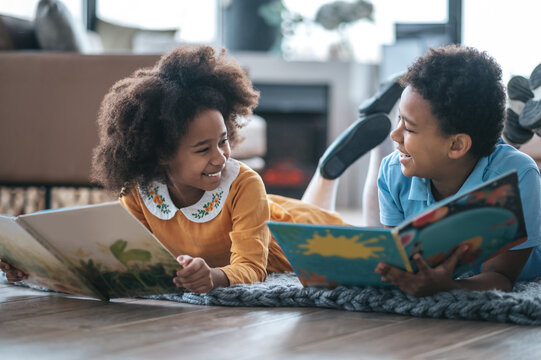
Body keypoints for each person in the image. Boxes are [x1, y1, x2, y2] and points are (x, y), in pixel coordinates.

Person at [0, 45, 391, 293]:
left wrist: (216, 277)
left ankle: (340, 164)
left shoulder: (242, 183)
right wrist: (33, 267)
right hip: (259, 212)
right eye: (203, 149)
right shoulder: (139, 193)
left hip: (295, 233)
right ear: (161, 156)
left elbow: (251, 268)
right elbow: (107, 257)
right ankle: (329, 170)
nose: (221, 156)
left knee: (375, 248)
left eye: (223, 140)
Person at [373, 45, 541, 297]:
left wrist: (451, 287)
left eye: (409, 128)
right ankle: (521, 115)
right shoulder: (392, 171)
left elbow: (502, 277)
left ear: (456, 145)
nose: (394, 134)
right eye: (398, 119)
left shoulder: (517, 176)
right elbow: (398, 262)